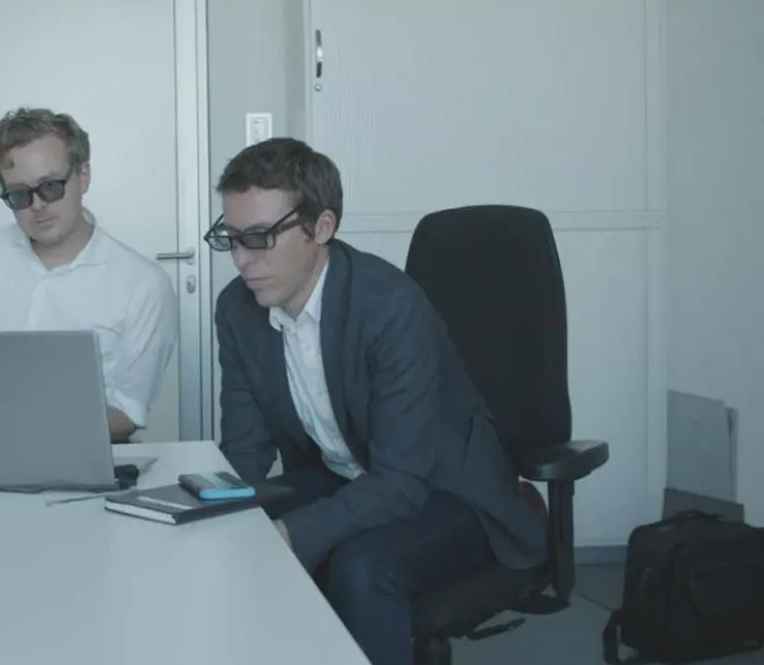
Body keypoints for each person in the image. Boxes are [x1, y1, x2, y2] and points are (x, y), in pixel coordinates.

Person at [207, 138, 547, 665]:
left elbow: (401, 483)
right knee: (229, 533)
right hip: (348, 473)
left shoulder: (389, 306)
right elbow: (245, 450)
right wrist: (215, 510)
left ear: (321, 228)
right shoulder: (237, 309)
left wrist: (291, 531)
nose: (241, 258)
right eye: (231, 238)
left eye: (259, 237)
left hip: (446, 489)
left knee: (361, 565)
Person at [0, 107, 178, 443]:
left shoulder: (144, 285)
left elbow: (128, 412)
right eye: (19, 195)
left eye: (50, 187)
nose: (38, 206)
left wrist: (27, 429)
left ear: (83, 176)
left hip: (82, 450)